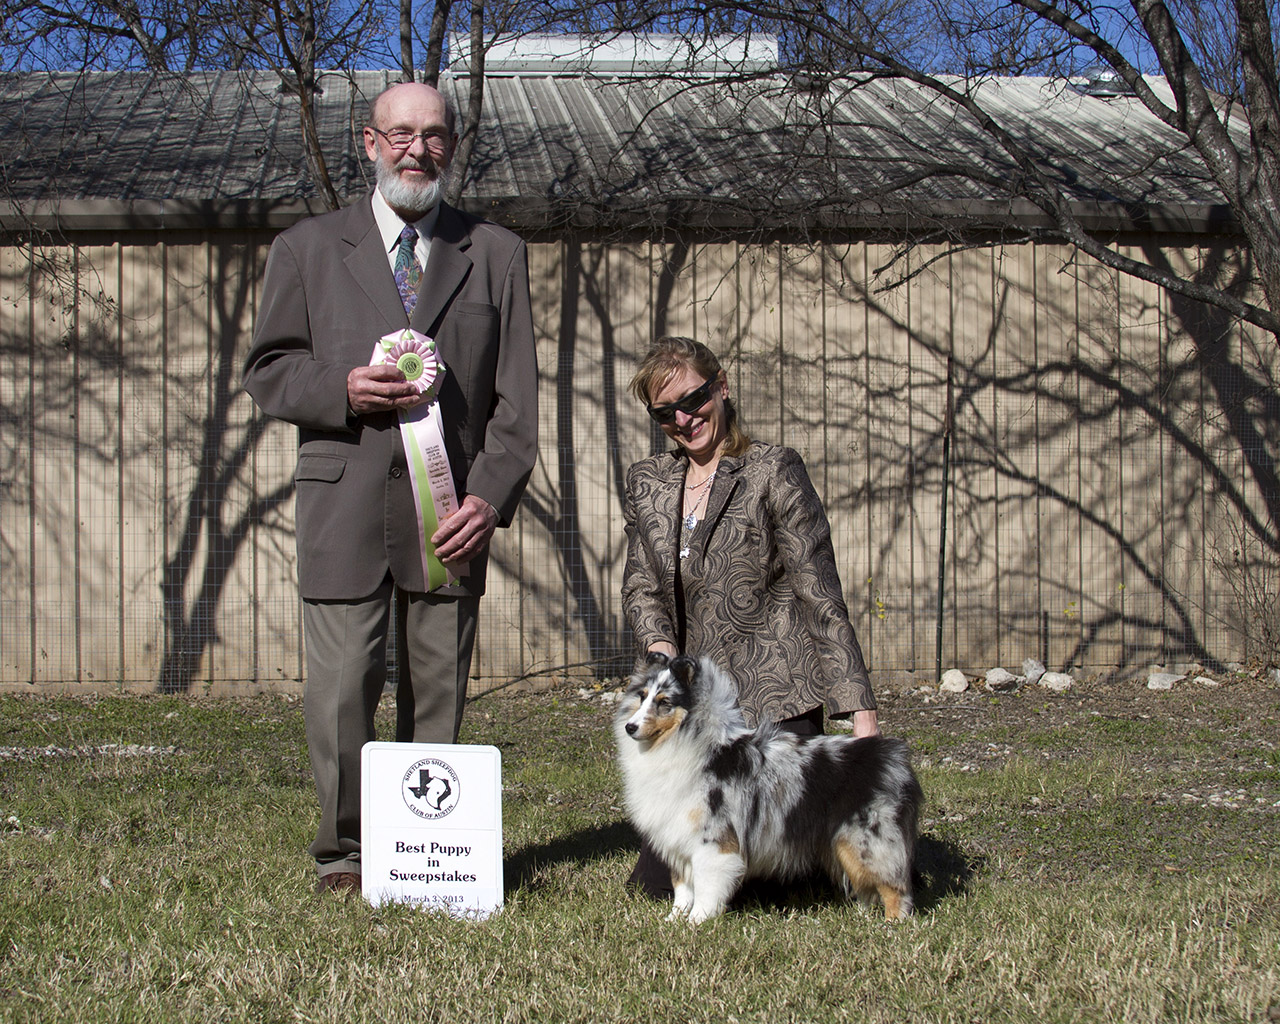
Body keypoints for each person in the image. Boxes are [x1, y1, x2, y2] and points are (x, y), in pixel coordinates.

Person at [242, 82, 537, 895]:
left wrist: (488, 499)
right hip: (342, 510)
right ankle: (344, 854)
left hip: (451, 515)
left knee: (437, 694)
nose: (418, 149)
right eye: (400, 134)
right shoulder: (305, 248)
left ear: (452, 146)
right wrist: (338, 387)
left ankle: (424, 855)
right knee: (342, 695)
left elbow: (516, 405)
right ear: (369, 144)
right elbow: (268, 370)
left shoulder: (497, 253)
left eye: (434, 135)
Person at [621, 336, 878, 896]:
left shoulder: (773, 470)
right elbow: (640, 586)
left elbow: (819, 593)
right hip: (695, 715)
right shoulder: (647, 481)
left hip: (773, 699)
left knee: (780, 886)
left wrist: (860, 714)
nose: (684, 420)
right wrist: (661, 653)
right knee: (659, 886)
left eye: (693, 400)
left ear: (721, 387)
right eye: (665, 413)